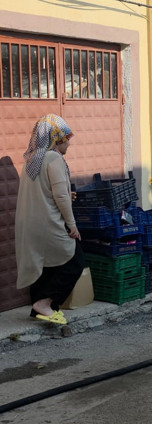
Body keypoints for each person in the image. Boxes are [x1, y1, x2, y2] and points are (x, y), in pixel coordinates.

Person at [15, 114, 86, 326]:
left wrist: (64, 193)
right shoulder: (53, 159)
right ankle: (45, 303)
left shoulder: (32, 160)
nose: (69, 143)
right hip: (48, 224)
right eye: (66, 138)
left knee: (45, 264)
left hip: (31, 225)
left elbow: (45, 190)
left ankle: (39, 308)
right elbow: (61, 197)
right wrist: (72, 226)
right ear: (56, 138)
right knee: (75, 261)